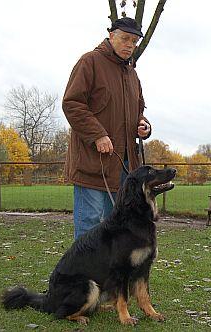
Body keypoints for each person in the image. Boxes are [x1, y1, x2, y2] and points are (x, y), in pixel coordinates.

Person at [62, 17, 152, 240]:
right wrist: (97, 134)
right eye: (124, 38)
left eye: (134, 40)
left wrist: (143, 126)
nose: (129, 44)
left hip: (124, 167)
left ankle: (111, 275)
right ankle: (82, 275)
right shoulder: (89, 62)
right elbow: (72, 104)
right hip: (92, 164)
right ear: (111, 36)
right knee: (89, 227)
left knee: (119, 228)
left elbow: (138, 111)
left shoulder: (133, 75)